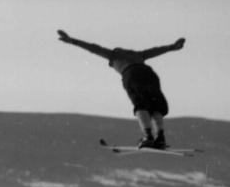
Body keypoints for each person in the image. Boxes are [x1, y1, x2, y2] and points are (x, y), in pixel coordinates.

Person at [57, 30, 185, 149]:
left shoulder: (113, 54)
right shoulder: (138, 54)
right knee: (156, 104)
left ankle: (148, 137)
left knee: (141, 105)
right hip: (149, 73)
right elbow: (156, 50)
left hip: (131, 74)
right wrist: (172, 47)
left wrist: (72, 40)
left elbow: (93, 48)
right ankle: (160, 137)